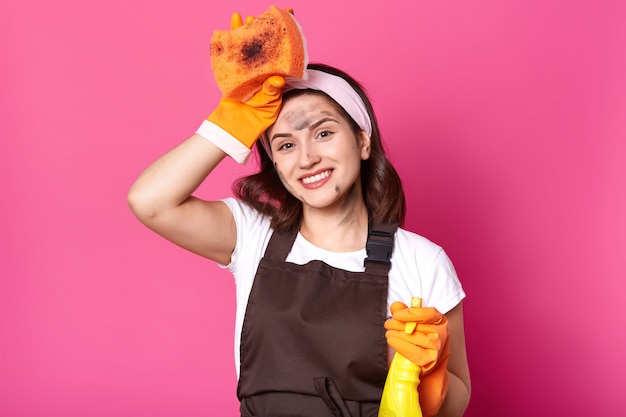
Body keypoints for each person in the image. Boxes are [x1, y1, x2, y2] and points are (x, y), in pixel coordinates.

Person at [128, 16, 471, 416]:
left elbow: (458, 397)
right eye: (286, 144)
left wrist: (431, 378)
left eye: (323, 133)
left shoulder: (421, 261)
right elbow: (150, 201)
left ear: (362, 140)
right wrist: (231, 125)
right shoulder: (253, 235)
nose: (307, 158)